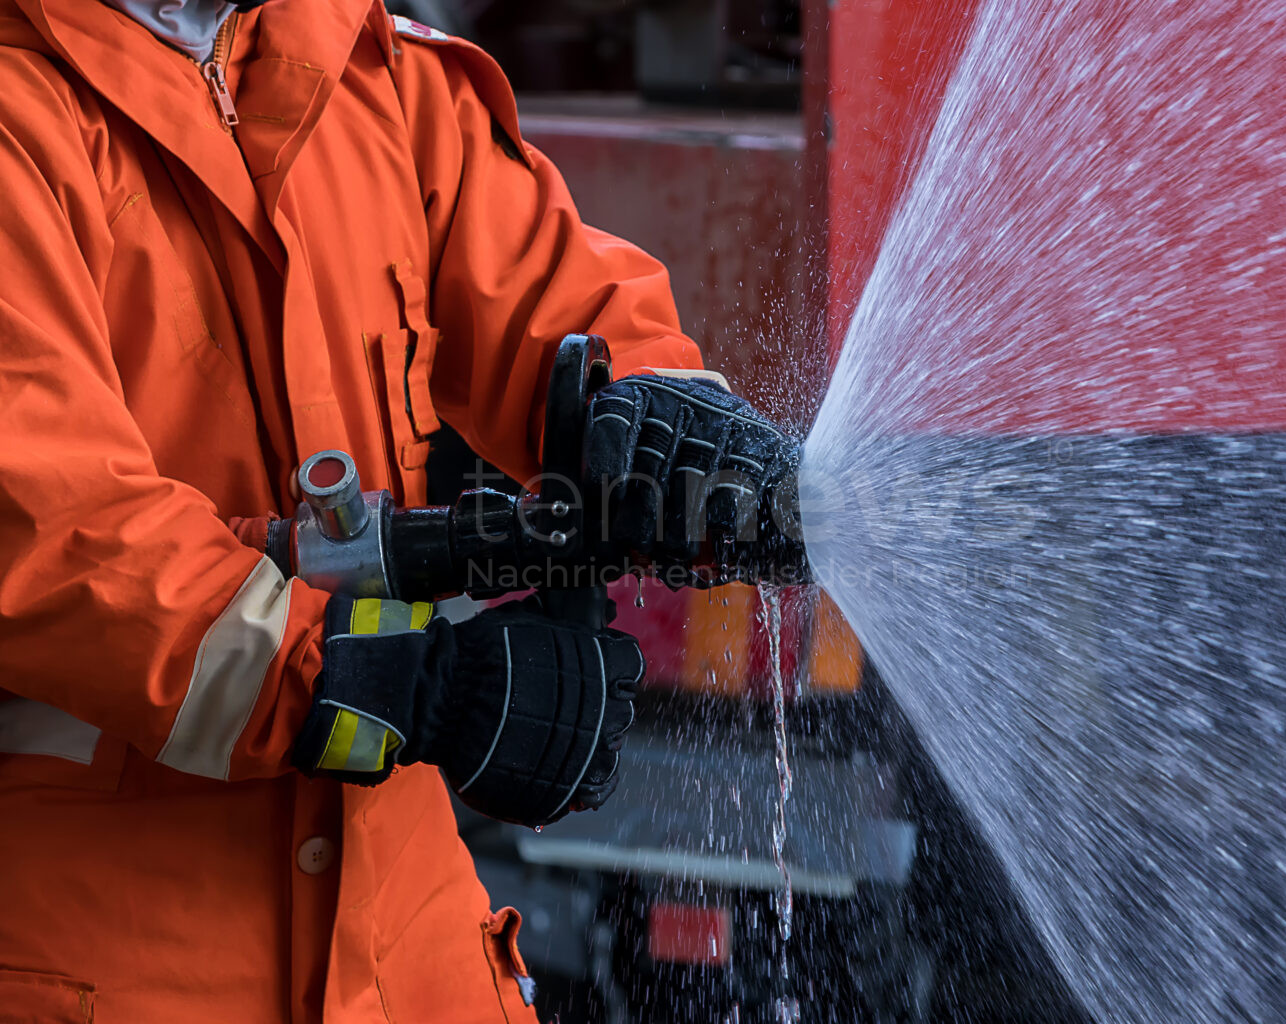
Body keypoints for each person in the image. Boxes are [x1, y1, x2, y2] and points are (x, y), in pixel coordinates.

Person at [0, 0, 797, 1020]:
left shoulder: (369, 70)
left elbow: (555, 302)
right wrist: (394, 686)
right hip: (108, 951)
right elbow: (57, 538)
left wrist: (664, 421)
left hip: (403, 941)